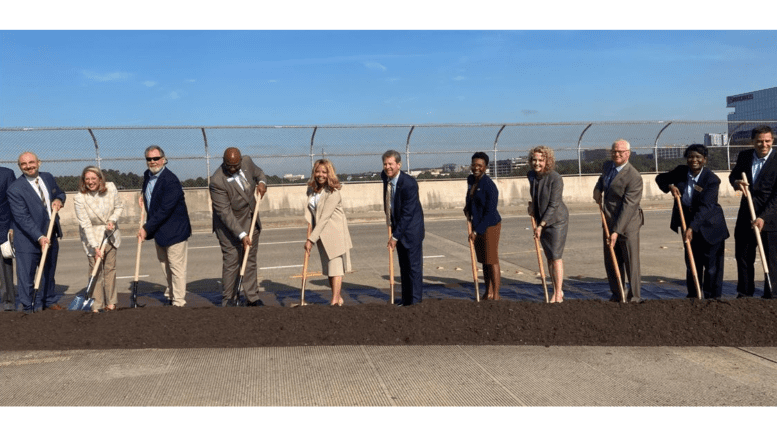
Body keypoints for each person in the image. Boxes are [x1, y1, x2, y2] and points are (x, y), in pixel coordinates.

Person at [656, 145, 729, 300]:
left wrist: (691, 228)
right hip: (688, 224)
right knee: (692, 263)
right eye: (690, 156)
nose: (694, 160)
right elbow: (660, 178)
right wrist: (670, 186)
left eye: (698, 157)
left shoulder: (711, 179)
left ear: (705, 160)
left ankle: (712, 298)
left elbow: (706, 207)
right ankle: (694, 296)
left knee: (711, 268)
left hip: (711, 227)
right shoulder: (681, 171)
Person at [7, 152, 66, 312]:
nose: (28, 166)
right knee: (26, 276)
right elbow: (22, 217)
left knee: (48, 271)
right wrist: (39, 237)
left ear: (38, 162)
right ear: (20, 167)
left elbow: (60, 193)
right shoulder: (15, 188)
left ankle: (49, 300)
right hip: (28, 239)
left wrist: (59, 200)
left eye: (31, 162)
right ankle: (29, 306)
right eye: (24, 164)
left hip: (50, 233)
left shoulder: (47, 177)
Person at [209, 147, 267, 307]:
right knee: (232, 260)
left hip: (250, 219)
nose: (233, 169)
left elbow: (259, 173)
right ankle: (229, 298)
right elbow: (225, 213)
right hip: (228, 226)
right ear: (224, 162)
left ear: (241, 160)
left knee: (249, 260)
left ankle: (252, 297)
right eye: (230, 166)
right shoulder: (217, 181)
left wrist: (262, 182)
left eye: (236, 165)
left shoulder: (247, 162)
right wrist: (241, 235)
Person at [138, 145, 192, 307]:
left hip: (175, 230)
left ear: (163, 159)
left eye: (156, 158)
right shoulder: (147, 176)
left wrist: (146, 228)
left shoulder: (171, 180)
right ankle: (171, 295)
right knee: (165, 266)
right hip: (160, 231)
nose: (153, 162)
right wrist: (143, 197)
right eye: (149, 159)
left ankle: (179, 302)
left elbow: (165, 209)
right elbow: (151, 195)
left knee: (176, 268)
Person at [593, 139, 644, 303]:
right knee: (611, 259)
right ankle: (617, 294)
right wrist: (597, 190)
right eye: (614, 151)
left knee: (630, 261)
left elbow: (629, 207)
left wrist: (616, 231)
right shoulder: (608, 166)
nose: (616, 154)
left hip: (628, 224)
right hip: (608, 220)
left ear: (627, 154)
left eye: (620, 152)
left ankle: (634, 297)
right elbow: (602, 181)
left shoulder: (634, 176)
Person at [729, 125, 777, 299]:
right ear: (753, 142)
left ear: (772, 140)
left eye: (767, 141)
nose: (763, 144)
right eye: (759, 141)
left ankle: (771, 294)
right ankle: (745, 292)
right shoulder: (745, 156)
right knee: (743, 255)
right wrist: (737, 183)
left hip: (771, 218)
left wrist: (764, 217)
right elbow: (733, 175)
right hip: (746, 214)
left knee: (771, 259)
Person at [73, 166, 124, 312]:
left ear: (100, 179)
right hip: (92, 237)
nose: (90, 182)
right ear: (83, 181)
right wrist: (95, 247)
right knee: (95, 271)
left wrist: (113, 220)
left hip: (110, 234)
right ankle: (96, 304)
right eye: (87, 179)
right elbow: (86, 224)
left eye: (93, 178)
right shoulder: (79, 198)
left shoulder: (111, 188)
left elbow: (119, 207)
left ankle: (111, 303)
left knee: (110, 269)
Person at [303, 159, 353, 306]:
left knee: (336, 268)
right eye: (318, 171)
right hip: (322, 235)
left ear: (329, 173)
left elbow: (324, 218)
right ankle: (338, 298)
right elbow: (313, 213)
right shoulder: (312, 190)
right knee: (329, 269)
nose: (320, 175)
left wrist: (311, 239)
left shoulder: (334, 192)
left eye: (324, 172)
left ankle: (334, 302)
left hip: (334, 233)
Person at [381, 150, 425, 306]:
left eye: (391, 164)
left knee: (413, 268)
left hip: (411, 230)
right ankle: (406, 299)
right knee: (404, 267)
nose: (388, 167)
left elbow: (408, 214)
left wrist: (394, 236)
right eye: (385, 164)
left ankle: (415, 301)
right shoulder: (386, 177)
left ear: (399, 165)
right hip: (397, 228)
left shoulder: (409, 184)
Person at [527, 146, 569, 303]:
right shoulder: (531, 175)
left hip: (556, 220)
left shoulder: (555, 178)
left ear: (548, 161)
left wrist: (541, 225)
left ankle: (558, 294)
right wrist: (532, 207)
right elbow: (535, 195)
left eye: (541, 160)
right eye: (534, 160)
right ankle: (556, 289)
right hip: (541, 220)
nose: (537, 163)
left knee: (556, 257)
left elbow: (553, 204)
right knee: (549, 257)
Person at [464, 152, 502, 300]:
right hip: (477, 224)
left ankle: (496, 294)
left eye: (480, 165)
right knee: (484, 260)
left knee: (492, 259)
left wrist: (476, 231)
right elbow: (470, 198)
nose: (476, 168)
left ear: (485, 167)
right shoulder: (471, 180)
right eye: (474, 164)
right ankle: (488, 291)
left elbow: (490, 212)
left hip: (490, 225)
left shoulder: (489, 186)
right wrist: (467, 209)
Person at [1, 165, 17, 311]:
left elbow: (14, 201)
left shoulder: (7, 174)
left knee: (4, 267)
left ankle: (8, 301)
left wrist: (12, 226)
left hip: (3, 227)